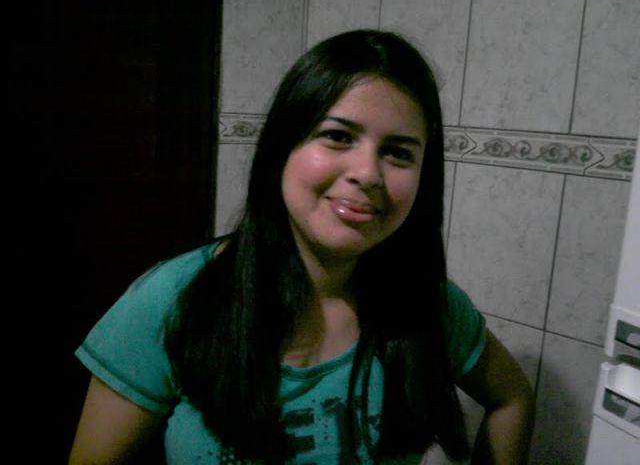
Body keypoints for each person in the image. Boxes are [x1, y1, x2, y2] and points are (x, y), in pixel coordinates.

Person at [68, 29, 534, 464]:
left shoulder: (425, 305)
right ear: (281, 149)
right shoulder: (175, 300)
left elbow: (512, 398)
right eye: (338, 136)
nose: (367, 173)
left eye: (398, 152)